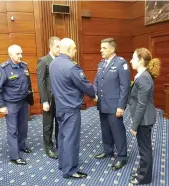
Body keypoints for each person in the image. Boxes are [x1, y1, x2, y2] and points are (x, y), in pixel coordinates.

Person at [49, 38, 96, 179]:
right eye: (74, 48)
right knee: (71, 139)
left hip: (60, 107)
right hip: (71, 108)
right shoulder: (71, 67)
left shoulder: (53, 63)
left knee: (62, 136)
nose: (76, 51)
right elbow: (85, 85)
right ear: (69, 49)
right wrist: (94, 94)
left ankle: (63, 164)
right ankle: (70, 170)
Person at [93, 38, 130, 171]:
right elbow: (96, 82)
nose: (100, 50)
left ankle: (122, 156)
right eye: (101, 47)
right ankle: (108, 150)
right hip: (102, 104)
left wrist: (121, 106)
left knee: (117, 131)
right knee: (105, 130)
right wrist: (95, 93)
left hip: (115, 106)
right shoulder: (101, 64)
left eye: (104, 48)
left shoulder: (121, 63)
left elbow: (125, 87)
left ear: (112, 49)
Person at [0, 45, 33, 165]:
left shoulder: (24, 66)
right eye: (17, 54)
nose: (20, 56)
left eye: (21, 53)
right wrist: (1, 105)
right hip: (11, 104)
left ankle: (21, 145)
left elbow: (28, 83)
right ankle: (14, 156)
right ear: (10, 55)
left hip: (23, 102)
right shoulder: (4, 68)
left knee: (23, 127)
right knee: (13, 129)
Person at [128, 48, 160, 185]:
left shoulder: (144, 78)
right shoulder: (142, 76)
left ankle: (144, 178)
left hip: (144, 120)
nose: (131, 61)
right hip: (142, 118)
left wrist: (134, 125)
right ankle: (142, 171)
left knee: (145, 149)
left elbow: (141, 105)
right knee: (143, 148)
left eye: (133, 58)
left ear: (141, 60)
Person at [37, 37, 60, 159]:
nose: (59, 49)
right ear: (50, 46)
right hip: (49, 99)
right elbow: (40, 82)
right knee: (48, 125)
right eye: (57, 46)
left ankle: (59, 144)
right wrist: (44, 100)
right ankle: (48, 148)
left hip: (60, 99)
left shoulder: (60, 60)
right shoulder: (43, 61)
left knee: (59, 123)